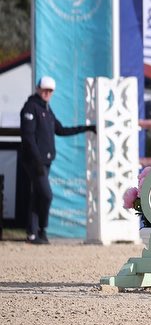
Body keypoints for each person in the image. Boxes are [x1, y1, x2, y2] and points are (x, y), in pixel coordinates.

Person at [18, 76, 94, 244]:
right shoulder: (30, 107)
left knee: (37, 195)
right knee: (46, 195)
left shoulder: (46, 109)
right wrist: (37, 161)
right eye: (44, 89)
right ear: (38, 88)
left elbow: (60, 130)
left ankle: (34, 233)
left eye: (50, 91)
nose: (47, 93)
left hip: (45, 161)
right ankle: (41, 229)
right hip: (34, 161)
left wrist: (86, 128)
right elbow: (28, 138)